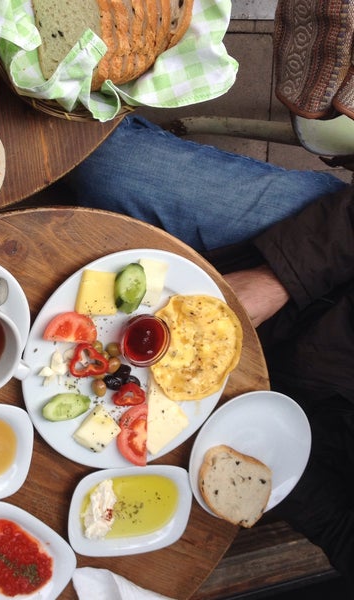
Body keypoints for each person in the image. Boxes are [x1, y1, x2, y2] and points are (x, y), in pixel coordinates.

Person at [65, 115, 354, 587]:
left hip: (269, 407)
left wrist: (266, 453)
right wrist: (278, 278)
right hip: (321, 260)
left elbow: (340, 526)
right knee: (104, 167)